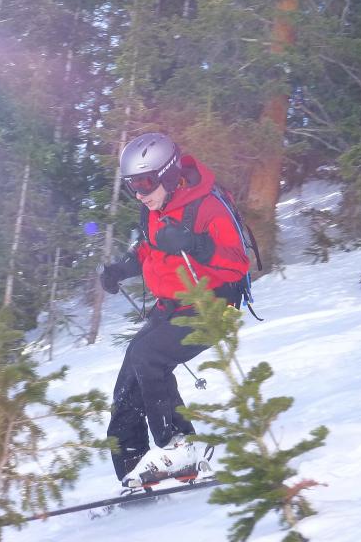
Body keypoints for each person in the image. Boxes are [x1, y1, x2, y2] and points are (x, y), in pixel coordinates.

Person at [100, 132, 250, 489]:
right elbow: (148, 249)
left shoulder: (207, 206)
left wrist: (196, 244)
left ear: (168, 174)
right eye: (132, 186)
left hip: (213, 305)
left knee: (148, 355)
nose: (140, 193)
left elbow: (238, 264)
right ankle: (134, 475)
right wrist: (122, 267)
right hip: (173, 305)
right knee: (129, 385)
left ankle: (179, 445)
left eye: (146, 183)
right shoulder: (152, 206)